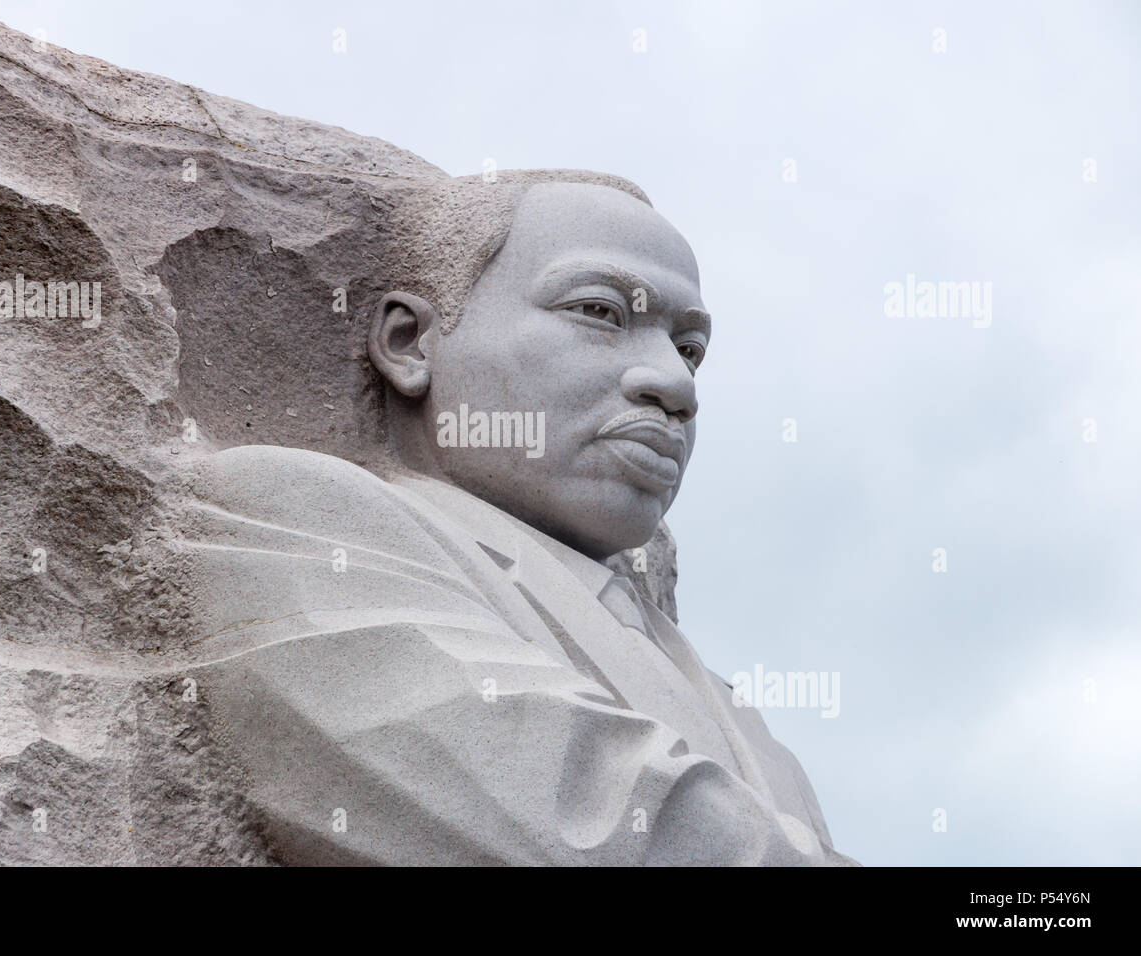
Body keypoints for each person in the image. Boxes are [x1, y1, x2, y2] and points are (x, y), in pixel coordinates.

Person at [170, 171, 857, 865]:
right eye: (600, 312)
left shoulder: (744, 721)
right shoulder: (294, 517)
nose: (676, 385)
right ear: (411, 344)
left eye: (689, 351)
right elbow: (577, 821)